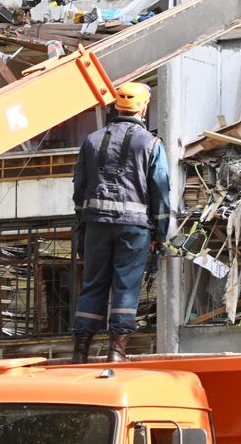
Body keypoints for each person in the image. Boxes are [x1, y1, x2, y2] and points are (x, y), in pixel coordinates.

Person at [71, 82, 171, 364]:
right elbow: (160, 190)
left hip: (96, 226)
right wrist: (160, 236)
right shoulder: (151, 144)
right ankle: (117, 352)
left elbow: (79, 187)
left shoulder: (91, 140)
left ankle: (80, 352)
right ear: (143, 108)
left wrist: (84, 221)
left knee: (93, 284)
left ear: (116, 106)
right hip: (134, 227)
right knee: (126, 286)